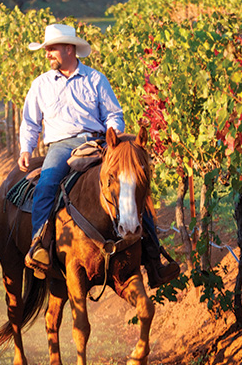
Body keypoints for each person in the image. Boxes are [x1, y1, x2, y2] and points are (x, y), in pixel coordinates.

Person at [19, 23, 179, 286]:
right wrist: (26, 148)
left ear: (69, 49)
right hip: (61, 145)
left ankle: (153, 258)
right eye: (47, 49)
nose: (48, 54)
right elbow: (30, 122)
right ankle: (40, 245)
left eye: (52, 49)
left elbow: (114, 114)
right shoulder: (42, 84)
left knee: (131, 184)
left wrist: (113, 137)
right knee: (47, 184)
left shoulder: (95, 79)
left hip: (97, 142)